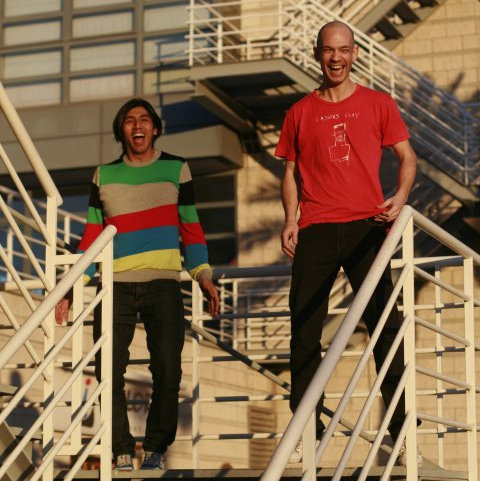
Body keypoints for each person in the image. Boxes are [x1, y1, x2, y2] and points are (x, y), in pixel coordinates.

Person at [275, 21, 419, 464]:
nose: (335, 58)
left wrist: (400, 196)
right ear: (317, 54)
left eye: (343, 50)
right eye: (327, 50)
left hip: (367, 226)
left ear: (354, 53)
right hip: (316, 228)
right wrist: (290, 219)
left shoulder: (378, 104)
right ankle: (306, 429)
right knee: (304, 331)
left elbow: (407, 158)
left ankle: (401, 432)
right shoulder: (299, 112)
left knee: (385, 326)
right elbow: (289, 173)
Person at [55, 98, 219, 471]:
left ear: (155, 129)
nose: (137, 125)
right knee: (107, 369)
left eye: (144, 119)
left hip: (163, 283)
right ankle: (121, 448)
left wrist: (203, 276)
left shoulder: (176, 169)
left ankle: (157, 447)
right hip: (115, 286)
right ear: (122, 131)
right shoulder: (104, 175)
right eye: (129, 120)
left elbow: (191, 230)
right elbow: (91, 238)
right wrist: (71, 287)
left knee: (168, 368)